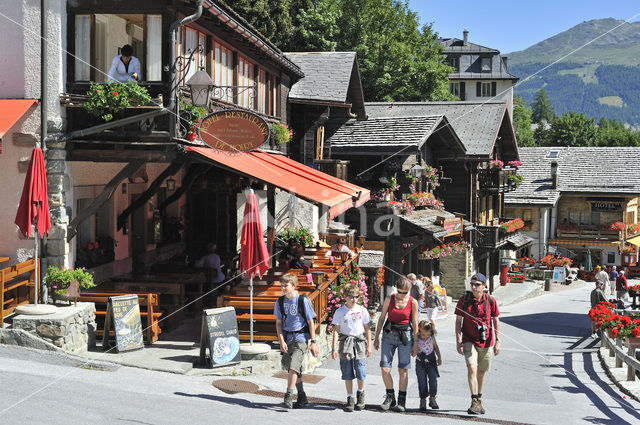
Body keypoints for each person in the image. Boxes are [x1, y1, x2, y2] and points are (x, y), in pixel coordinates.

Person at [454, 273, 500, 415]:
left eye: (477, 285)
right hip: (468, 339)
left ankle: (478, 400)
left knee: (481, 371)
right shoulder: (464, 300)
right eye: (472, 284)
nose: (473, 287)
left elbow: (496, 321)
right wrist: (458, 339)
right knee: (472, 368)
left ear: (484, 286)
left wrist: (498, 341)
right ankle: (474, 401)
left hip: (486, 340)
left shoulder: (490, 301)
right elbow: (458, 322)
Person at [373, 276, 419, 412]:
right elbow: (382, 318)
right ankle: (390, 396)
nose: (402, 295)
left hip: (406, 336)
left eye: (405, 292)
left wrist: (415, 343)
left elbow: (415, 324)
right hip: (389, 335)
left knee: (403, 369)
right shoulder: (389, 298)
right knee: (385, 368)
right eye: (400, 292)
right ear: (396, 288)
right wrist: (376, 337)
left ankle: (401, 400)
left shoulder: (413, 302)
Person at [274, 273, 319, 409]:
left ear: (293, 286)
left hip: (301, 338)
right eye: (282, 285)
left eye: (286, 285)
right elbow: (278, 323)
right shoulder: (280, 302)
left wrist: (313, 341)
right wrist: (281, 341)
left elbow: (311, 321)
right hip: (288, 339)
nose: (283, 288)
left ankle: (288, 396)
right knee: (295, 369)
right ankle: (302, 397)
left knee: (293, 367)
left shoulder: (302, 300)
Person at [330, 283, 372, 412]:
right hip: (346, 343)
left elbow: (367, 328)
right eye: (351, 296)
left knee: (360, 369)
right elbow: (336, 330)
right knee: (347, 371)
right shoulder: (340, 311)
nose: (354, 299)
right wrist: (334, 348)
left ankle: (360, 394)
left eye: (356, 296)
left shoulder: (361, 310)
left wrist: (369, 345)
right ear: (344, 297)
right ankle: (350, 398)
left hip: (359, 342)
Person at [415, 320, 442, 411]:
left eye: (427, 335)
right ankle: (423, 400)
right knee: (422, 382)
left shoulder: (431, 338)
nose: (425, 337)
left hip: (431, 362)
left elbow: (436, 348)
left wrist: (439, 357)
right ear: (419, 331)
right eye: (423, 335)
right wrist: (414, 350)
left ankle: (432, 398)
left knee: (433, 380)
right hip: (420, 363)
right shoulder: (416, 339)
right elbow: (413, 353)